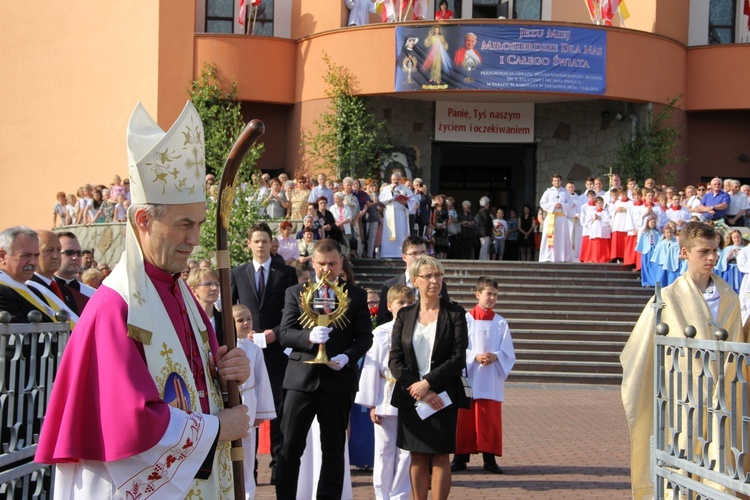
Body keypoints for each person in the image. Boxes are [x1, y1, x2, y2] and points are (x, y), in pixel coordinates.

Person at [36, 101, 251, 497]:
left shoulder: (178, 289)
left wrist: (226, 370)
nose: (194, 239)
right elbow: (130, 424)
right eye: (184, 224)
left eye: (200, 224)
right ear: (143, 220)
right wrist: (220, 426)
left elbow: (194, 387)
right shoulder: (116, 308)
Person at [620, 221, 748, 499]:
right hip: (682, 399)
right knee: (681, 467)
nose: (712, 257)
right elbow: (638, 352)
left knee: (720, 465)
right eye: (704, 251)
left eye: (715, 250)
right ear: (685, 253)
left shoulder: (731, 298)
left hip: (723, 400)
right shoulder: (666, 299)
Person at [275, 238, 373, 499]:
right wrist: (308, 337)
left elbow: (365, 337)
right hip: (300, 381)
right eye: (321, 264)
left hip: (338, 381)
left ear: (341, 263)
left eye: (332, 263)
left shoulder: (356, 295)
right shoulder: (295, 292)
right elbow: (285, 333)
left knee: (333, 449)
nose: (326, 269)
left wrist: (347, 357)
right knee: (289, 448)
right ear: (312, 263)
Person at [389, 255, 468, 500]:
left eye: (438, 275)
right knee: (417, 456)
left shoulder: (455, 313)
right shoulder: (405, 315)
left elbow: (457, 358)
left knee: (441, 455)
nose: (435, 281)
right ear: (415, 281)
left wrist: (429, 384)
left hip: (442, 396)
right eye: (428, 276)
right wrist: (416, 386)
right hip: (412, 396)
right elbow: (395, 359)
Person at [231, 222, 297, 485]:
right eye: (256, 240)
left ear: (272, 244)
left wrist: (277, 332)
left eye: (264, 240)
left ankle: (278, 468)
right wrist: (240, 334)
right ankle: (250, 474)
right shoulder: (237, 273)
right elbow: (230, 311)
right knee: (250, 412)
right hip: (247, 355)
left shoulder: (286, 273)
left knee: (279, 411)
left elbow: (293, 313)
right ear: (249, 244)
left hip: (277, 352)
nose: (260, 245)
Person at [355, 285, 414, 500]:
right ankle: (383, 495)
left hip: (412, 395)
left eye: (410, 302)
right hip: (386, 395)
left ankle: (400, 495)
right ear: (389, 306)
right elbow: (371, 369)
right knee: (384, 450)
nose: (406, 306)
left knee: (407, 452)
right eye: (401, 303)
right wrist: (372, 404)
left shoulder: (420, 330)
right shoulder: (380, 333)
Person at [453, 277, 515, 474]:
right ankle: (460, 458)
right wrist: (473, 356)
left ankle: (490, 459)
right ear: (478, 294)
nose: (492, 298)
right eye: (489, 294)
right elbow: (457, 347)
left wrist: (496, 356)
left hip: (490, 377)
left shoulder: (500, 322)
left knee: (489, 418)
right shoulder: (465, 320)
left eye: (496, 295)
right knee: (465, 418)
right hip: (469, 374)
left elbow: (508, 352)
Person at [232, 304, 277, 500]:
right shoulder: (222, 346)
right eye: (240, 320)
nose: (246, 323)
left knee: (248, 454)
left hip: (248, 402)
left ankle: (248, 493)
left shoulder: (254, 349)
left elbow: (262, 380)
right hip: (229, 404)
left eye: (248, 319)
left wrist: (261, 412)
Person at [376, 235, 450, 326]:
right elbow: (383, 319)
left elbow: (445, 314)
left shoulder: (437, 285)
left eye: (423, 253)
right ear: (404, 257)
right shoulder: (390, 285)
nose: (419, 257)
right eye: (414, 253)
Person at [0, 227, 56, 323]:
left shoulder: (34, 290)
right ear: (3, 256)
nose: (33, 262)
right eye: (25, 256)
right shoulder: (2, 291)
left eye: (36, 256)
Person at [26, 230, 79, 324]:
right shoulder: (27, 288)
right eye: (49, 250)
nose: (56, 256)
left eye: (59, 250)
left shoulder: (65, 290)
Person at [539, 174, 572, 262]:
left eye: (558, 181)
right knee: (549, 237)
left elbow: (570, 203)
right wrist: (553, 206)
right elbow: (542, 203)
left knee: (562, 237)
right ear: (552, 181)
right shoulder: (548, 192)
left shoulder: (565, 192)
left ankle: (562, 257)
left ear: (561, 181)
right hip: (551, 218)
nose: (557, 182)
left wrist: (562, 205)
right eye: (555, 181)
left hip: (561, 218)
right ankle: (548, 257)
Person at [379, 172, 413, 258]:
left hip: (401, 214)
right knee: (389, 234)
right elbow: (381, 199)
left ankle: (400, 253)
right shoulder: (387, 188)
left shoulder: (406, 189)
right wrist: (391, 192)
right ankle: (387, 253)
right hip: (390, 215)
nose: (396, 181)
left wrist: (405, 203)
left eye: (397, 179)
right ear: (391, 180)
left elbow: (413, 202)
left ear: (401, 180)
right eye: (394, 179)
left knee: (401, 234)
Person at [187, 267, 224, 345]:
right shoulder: (187, 319)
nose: (214, 288)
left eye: (217, 284)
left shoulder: (225, 320)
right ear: (193, 290)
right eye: (208, 284)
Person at [475, 196, 493, 261]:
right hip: (484, 232)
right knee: (484, 247)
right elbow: (487, 221)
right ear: (486, 204)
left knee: (485, 247)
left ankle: (485, 259)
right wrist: (492, 227)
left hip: (483, 232)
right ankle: (483, 260)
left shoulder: (481, 211)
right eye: (488, 203)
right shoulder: (484, 211)